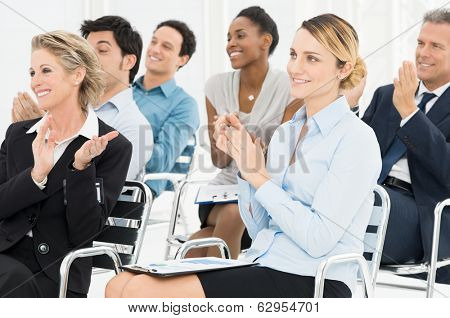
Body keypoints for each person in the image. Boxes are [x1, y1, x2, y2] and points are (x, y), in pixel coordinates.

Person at [105, 13, 381, 298]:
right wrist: (245, 164)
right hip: (264, 262)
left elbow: (318, 239)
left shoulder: (356, 139)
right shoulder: (287, 132)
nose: (295, 67)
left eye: (312, 58)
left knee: (140, 292)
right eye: (294, 54)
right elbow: (260, 226)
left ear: (343, 69)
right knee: (119, 284)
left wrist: (259, 178)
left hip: (315, 280)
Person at [0, 31, 132, 298]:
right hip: (5, 254)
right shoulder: (18, 135)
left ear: (76, 75)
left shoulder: (112, 147)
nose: (36, 82)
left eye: (46, 70)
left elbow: (84, 231)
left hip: (55, 271)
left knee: (13, 280)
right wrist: (36, 176)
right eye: (32, 73)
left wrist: (80, 168)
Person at [188, 6, 303, 259]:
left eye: (240, 36)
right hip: (222, 192)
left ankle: (199, 292)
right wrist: (225, 139)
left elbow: (284, 159)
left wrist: (253, 149)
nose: (231, 44)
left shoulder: (289, 87)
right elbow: (219, 161)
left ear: (265, 40)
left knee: (200, 241)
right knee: (230, 213)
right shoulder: (216, 86)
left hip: (264, 192)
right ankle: (218, 290)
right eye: (228, 38)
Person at [359, 8, 450, 283]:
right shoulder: (387, 95)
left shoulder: (403, 100)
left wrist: (411, 114)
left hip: (420, 215)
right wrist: (349, 105)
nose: (423, 53)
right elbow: (354, 153)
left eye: (436, 46)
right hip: (371, 196)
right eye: (421, 43)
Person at [12, 16, 152, 180]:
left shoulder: (140, 128)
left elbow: (110, 187)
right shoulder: (65, 107)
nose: (90, 58)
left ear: (128, 61)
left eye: (102, 50)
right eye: (86, 51)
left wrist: (43, 132)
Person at [133, 20, 199, 197]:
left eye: (166, 46)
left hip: (139, 190)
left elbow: (159, 162)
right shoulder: (124, 91)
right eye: (153, 42)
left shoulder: (184, 105)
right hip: (99, 181)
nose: (155, 49)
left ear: (182, 59)